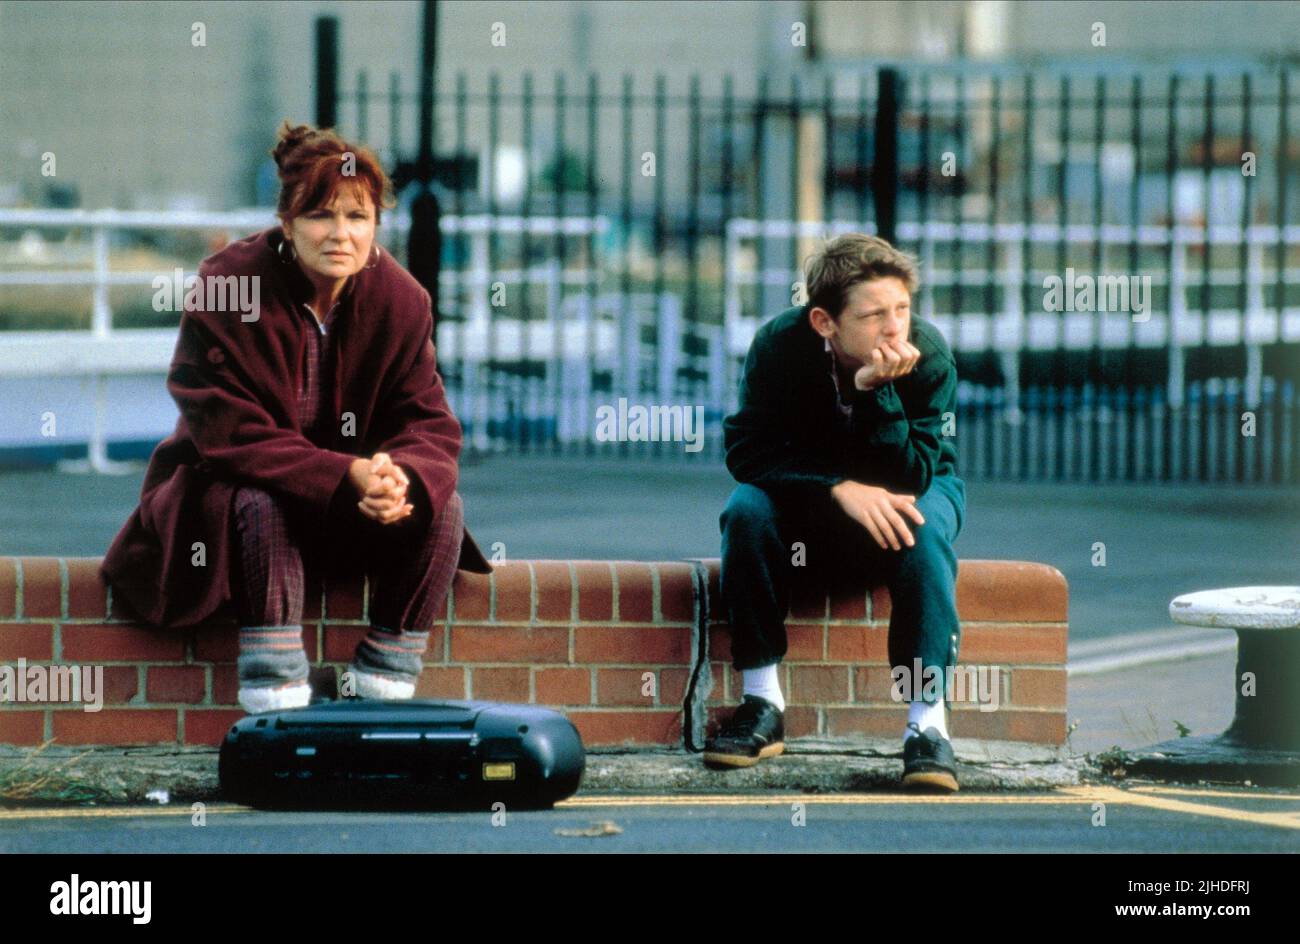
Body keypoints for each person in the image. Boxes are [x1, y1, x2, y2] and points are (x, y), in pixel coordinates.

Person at [100, 121, 493, 714]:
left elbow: (429, 423)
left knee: (443, 505)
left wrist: (397, 478)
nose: (341, 234)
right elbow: (228, 431)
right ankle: (274, 689)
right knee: (262, 499)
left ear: (376, 226)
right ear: (286, 222)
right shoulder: (226, 284)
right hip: (230, 508)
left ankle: (385, 675)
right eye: (321, 216)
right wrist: (345, 474)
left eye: (358, 218)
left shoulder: (402, 300)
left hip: (346, 514)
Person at [706, 233, 967, 792]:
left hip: (916, 484)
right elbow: (747, 451)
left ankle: (927, 724)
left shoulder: (929, 357)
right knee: (746, 511)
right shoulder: (780, 347)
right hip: (817, 493)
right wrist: (836, 486)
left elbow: (914, 476)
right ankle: (762, 702)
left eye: (902, 308)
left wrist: (877, 393)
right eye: (874, 315)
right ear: (825, 322)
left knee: (919, 532)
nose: (895, 328)